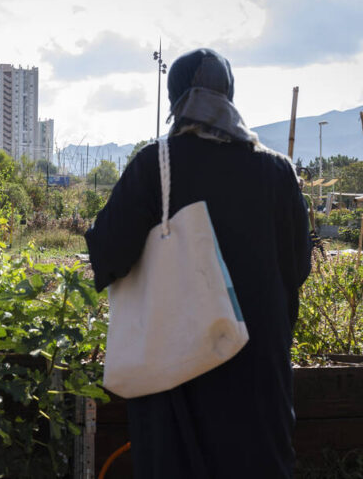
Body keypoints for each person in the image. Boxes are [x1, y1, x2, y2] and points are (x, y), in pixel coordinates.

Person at [85, 48, 312, 478]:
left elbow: (108, 256)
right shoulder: (277, 172)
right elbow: (297, 268)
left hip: (176, 376)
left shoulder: (156, 165)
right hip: (257, 377)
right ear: (230, 96)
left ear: (174, 100)